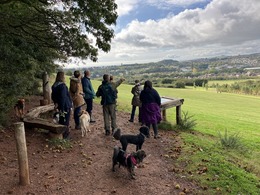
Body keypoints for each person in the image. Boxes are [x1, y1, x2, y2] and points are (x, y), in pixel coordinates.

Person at [51, 71, 72, 139]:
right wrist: (63, 108)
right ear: (62, 77)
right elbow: (63, 97)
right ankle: (65, 136)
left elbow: (53, 96)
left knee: (62, 119)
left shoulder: (54, 85)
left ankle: (62, 134)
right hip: (65, 106)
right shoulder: (62, 86)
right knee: (66, 121)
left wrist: (56, 103)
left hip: (59, 105)